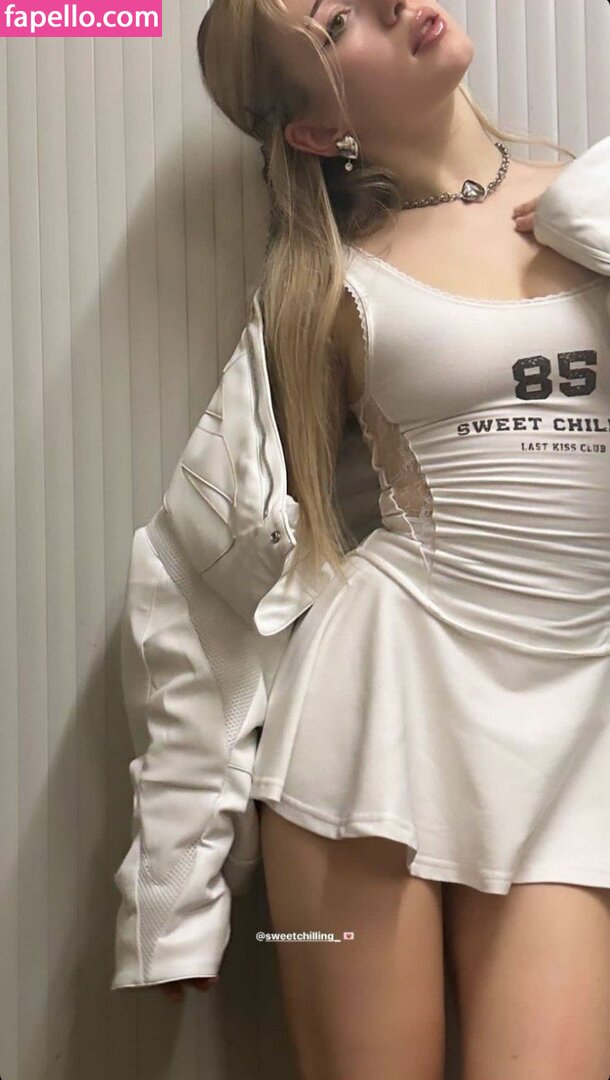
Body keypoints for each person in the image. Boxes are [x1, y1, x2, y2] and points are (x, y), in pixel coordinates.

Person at [114, 1, 610, 1077]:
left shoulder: (596, 198)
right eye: (337, 22)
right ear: (314, 128)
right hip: (378, 718)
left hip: (582, 728)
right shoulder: (322, 283)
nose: (391, 2)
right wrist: (173, 898)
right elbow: (201, 577)